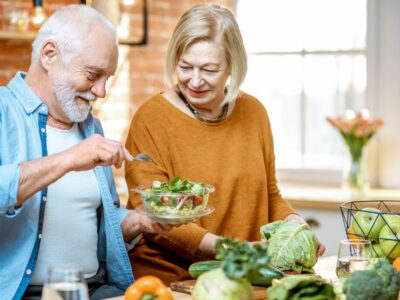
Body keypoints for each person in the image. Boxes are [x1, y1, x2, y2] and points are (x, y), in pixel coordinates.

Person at [124, 3, 325, 285]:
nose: (194, 80)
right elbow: (153, 216)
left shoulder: (254, 112)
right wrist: (231, 249)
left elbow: (269, 194)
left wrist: (296, 226)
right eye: (185, 66)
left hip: (242, 275)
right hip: (170, 280)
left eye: (209, 69)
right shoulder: (151, 119)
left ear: (232, 65)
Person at [0, 5, 173, 300]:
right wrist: (68, 160)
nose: (102, 91)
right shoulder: (4, 110)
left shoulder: (91, 128)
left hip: (95, 290)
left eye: (108, 77)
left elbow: (95, 223)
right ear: (49, 54)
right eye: (93, 74)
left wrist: (139, 222)